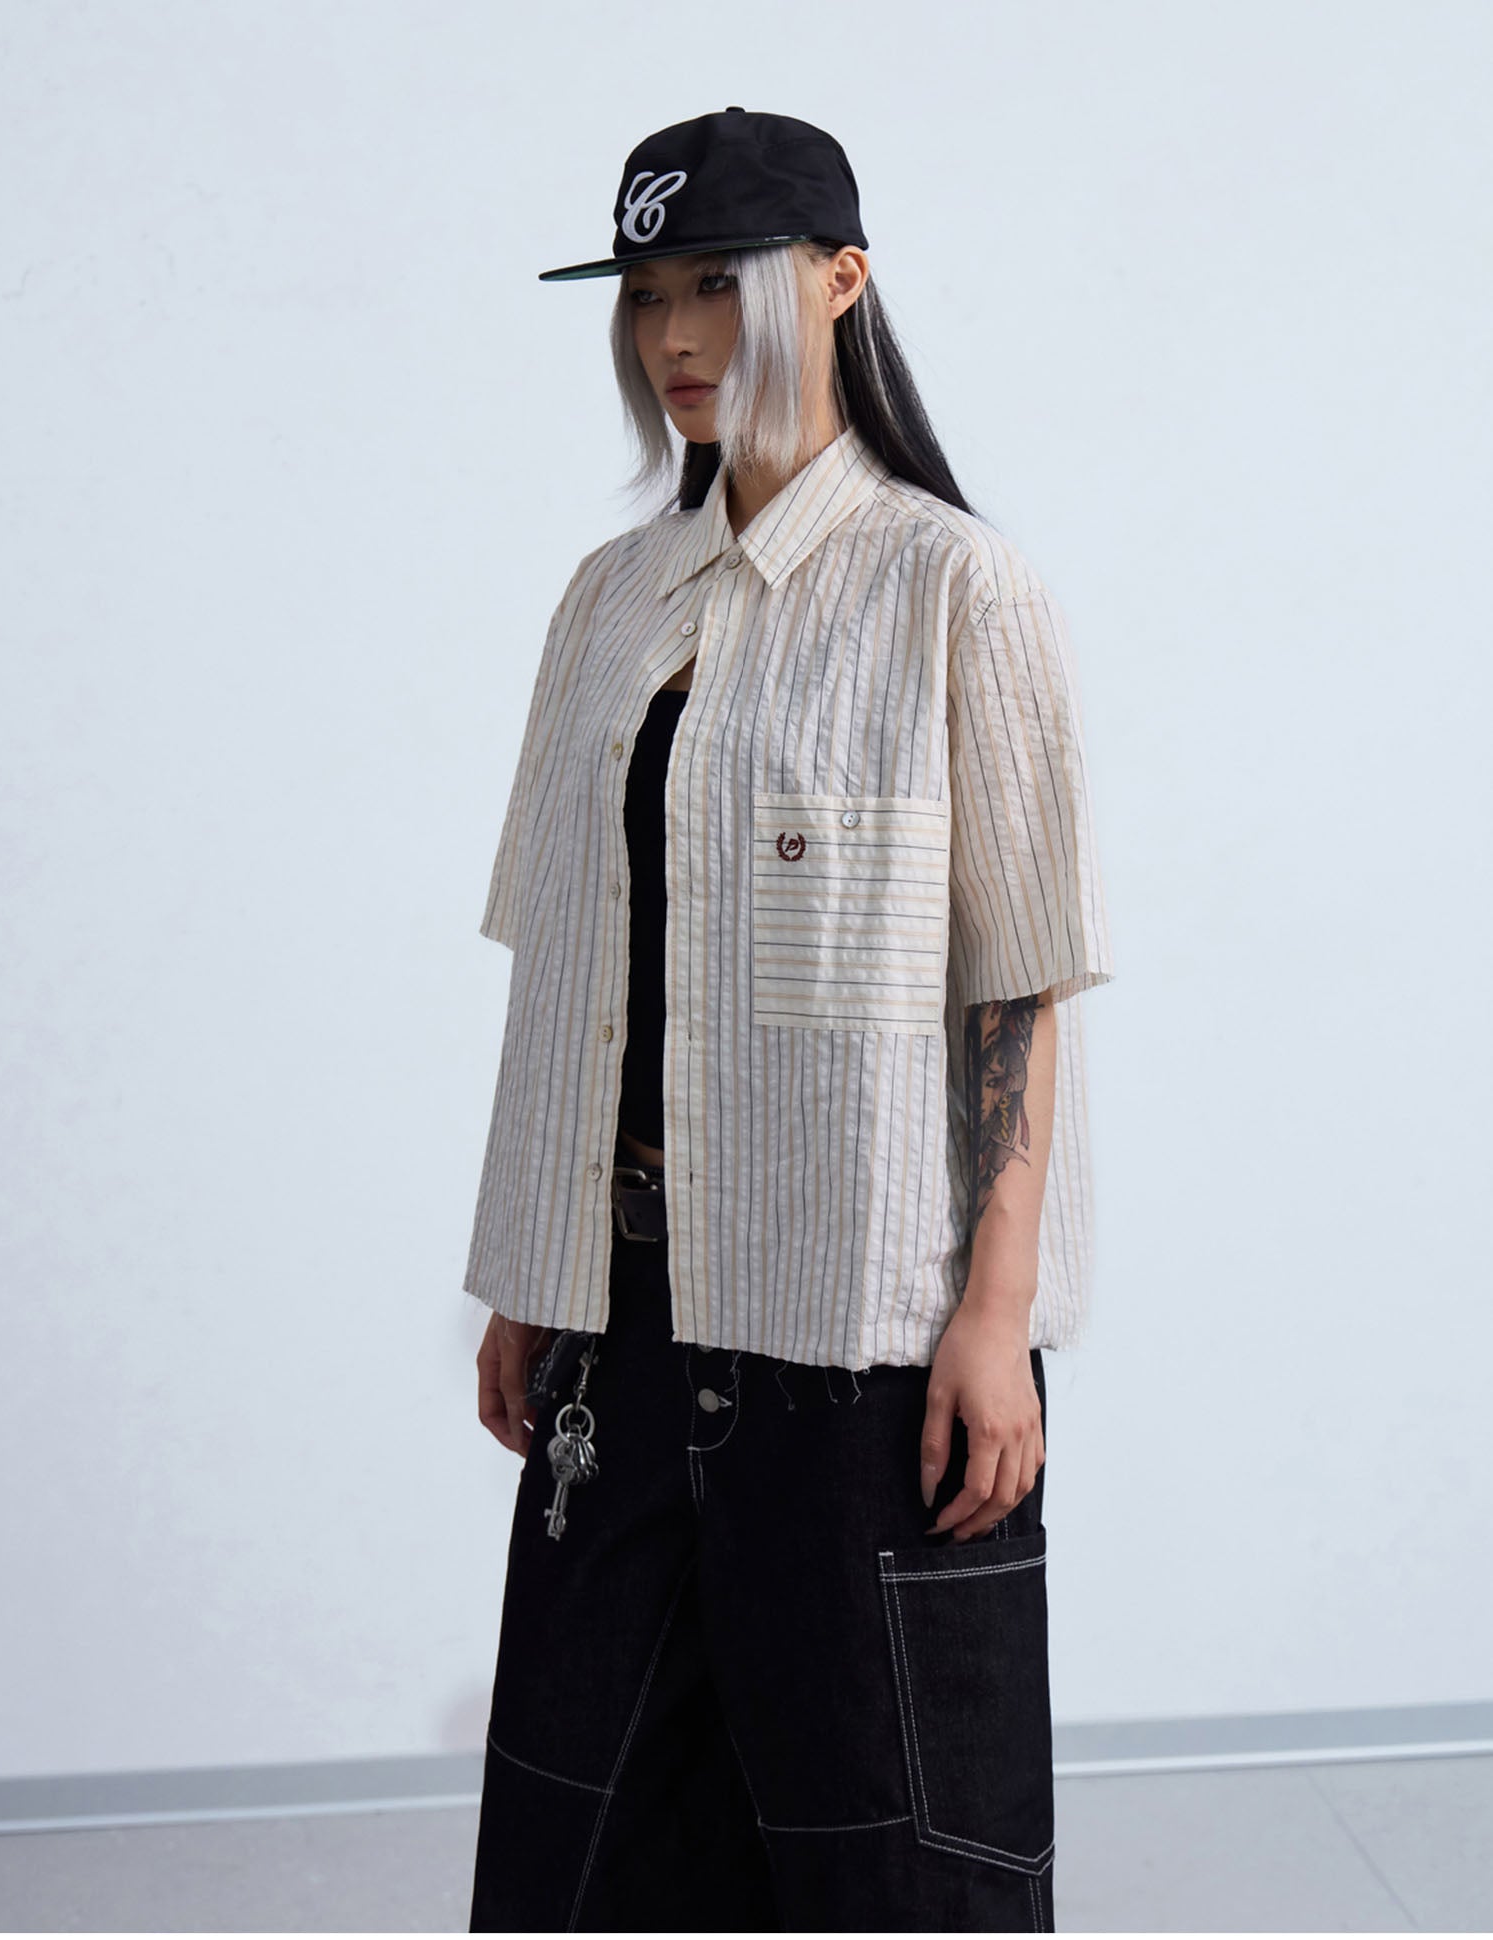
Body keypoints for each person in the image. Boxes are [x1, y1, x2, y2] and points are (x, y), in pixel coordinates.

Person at [463, 106, 1116, 1933]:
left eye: (714, 288)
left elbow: (1018, 974)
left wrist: (995, 1319)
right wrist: (527, 1270)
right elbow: (570, 964)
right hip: (621, 1325)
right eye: (643, 296)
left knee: (894, 1868)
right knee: (586, 1867)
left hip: (861, 1345)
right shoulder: (609, 604)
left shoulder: (952, 588)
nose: (673, 338)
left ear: (838, 283)